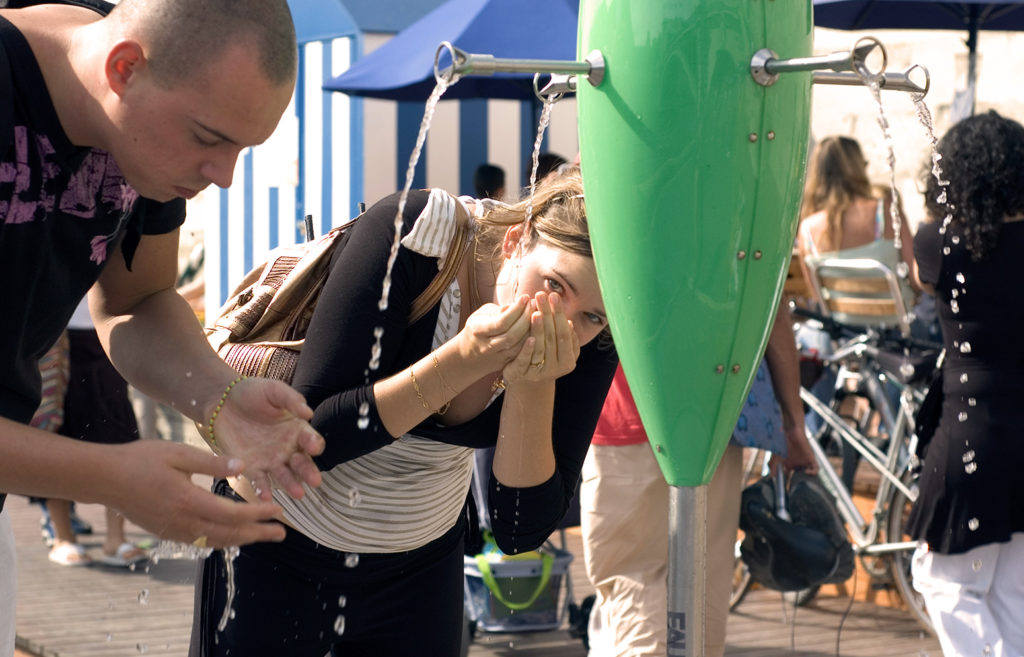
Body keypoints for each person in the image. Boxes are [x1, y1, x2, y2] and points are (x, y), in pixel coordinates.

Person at [0, 1, 328, 652]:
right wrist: (108, 476)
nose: (224, 177)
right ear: (124, 68)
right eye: (210, 139)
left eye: (242, 148)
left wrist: (217, 392)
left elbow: (137, 299)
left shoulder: (144, 116)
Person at [189, 167, 619, 656]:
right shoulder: (417, 235)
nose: (561, 319)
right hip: (277, 543)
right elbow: (312, 438)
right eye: (555, 285)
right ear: (515, 242)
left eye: (591, 315)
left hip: (419, 569)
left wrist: (533, 385)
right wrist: (460, 361)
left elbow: (518, 527)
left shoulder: (596, 326)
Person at [581, 300, 817, 657]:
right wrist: (793, 424)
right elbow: (771, 308)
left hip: (625, 414)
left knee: (633, 593)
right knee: (701, 602)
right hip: (711, 416)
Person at [907, 110, 1024, 657]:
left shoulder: (939, 245)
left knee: (944, 581)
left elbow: (916, 273)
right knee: (1010, 593)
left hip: (971, 436)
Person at [44, 299, 151, 568]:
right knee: (54, 434)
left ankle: (116, 538)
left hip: (108, 330)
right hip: (53, 335)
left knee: (118, 435)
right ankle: (62, 536)